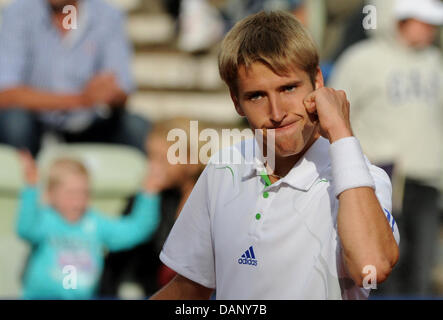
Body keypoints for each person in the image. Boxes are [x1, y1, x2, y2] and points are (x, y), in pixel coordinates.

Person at [150, 11, 400, 300]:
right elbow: (189, 290)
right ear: (236, 102)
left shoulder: (363, 178)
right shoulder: (222, 168)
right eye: (256, 96)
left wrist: (341, 132)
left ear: (318, 82)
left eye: (288, 88)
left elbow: (373, 267)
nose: (277, 113)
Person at [329, 0, 443, 297]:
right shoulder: (361, 60)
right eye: (421, 20)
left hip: (427, 180)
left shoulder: (435, 61)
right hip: (381, 180)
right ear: (398, 20)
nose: (429, 28)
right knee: (382, 271)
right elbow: (336, 116)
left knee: (420, 270)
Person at [0, 0, 149, 157]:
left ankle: (146, 181)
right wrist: (82, 99)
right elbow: (6, 93)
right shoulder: (18, 13)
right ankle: (23, 179)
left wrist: (108, 92)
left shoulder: (108, 16)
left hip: (90, 123)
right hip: (36, 122)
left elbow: (122, 89)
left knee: (136, 127)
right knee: (14, 122)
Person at [16, 151, 160, 299]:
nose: (78, 201)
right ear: (51, 195)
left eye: (84, 193)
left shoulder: (94, 223)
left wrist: (149, 194)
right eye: (71, 194)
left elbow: (136, 231)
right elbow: (25, 229)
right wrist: (31, 188)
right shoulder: (45, 220)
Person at [99, 118, 209, 298]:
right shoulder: (147, 197)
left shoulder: (210, 197)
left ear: (192, 160)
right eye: (150, 157)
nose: (152, 166)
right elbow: (121, 251)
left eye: (162, 159)